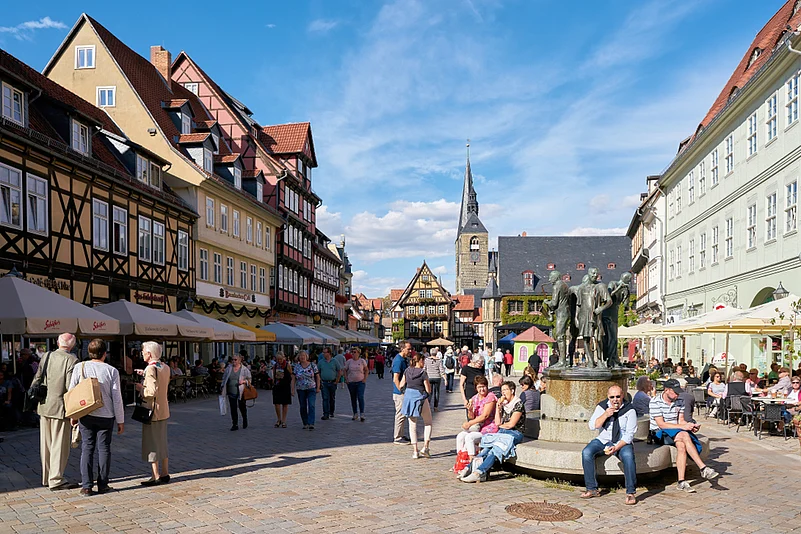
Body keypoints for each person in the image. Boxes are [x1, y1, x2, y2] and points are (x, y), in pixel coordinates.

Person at [68, 339, 124, 496]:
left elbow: (72, 391)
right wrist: (120, 420)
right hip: (106, 414)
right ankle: (103, 484)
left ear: (89, 353)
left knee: (87, 447)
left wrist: (73, 414)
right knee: (104, 448)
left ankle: (86, 486)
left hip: (86, 413)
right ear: (105, 354)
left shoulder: (79, 367)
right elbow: (117, 397)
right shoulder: (111, 371)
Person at [649, 379, 718, 492]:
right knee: (684, 435)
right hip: (659, 432)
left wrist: (690, 425)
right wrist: (683, 427)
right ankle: (702, 467)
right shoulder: (655, 402)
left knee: (681, 445)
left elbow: (681, 420)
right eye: (675, 392)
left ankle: (681, 481)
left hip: (676, 432)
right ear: (667, 390)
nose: (677, 395)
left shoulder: (680, 400)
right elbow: (661, 424)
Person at [34, 333, 79, 491]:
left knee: (46, 444)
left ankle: (47, 477)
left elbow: (37, 378)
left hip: (44, 405)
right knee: (59, 445)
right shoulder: (71, 360)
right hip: (60, 408)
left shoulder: (46, 356)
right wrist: (74, 412)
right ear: (72, 345)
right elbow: (70, 387)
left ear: (58, 342)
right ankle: (56, 479)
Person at [580, 385, 638, 505]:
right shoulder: (602, 407)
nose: (615, 400)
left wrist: (616, 447)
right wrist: (606, 415)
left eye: (618, 396)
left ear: (622, 396)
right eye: (612, 397)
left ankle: (630, 492)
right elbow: (592, 426)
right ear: (608, 397)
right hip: (603, 440)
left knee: (628, 457)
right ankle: (592, 488)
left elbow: (629, 435)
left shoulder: (629, 410)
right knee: (586, 452)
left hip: (621, 442)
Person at [460, 381, 526, 483]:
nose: (503, 393)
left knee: (495, 448)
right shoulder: (504, 404)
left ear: (512, 391)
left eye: (506, 390)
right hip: (503, 432)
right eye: (502, 390)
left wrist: (500, 427)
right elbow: (498, 422)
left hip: (515, 433)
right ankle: (468, 468)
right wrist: (498, 408)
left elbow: (511, 424)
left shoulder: (518, 404)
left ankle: (479, 472)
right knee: (486, 449)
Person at [135, 341, 171, 487]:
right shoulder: (165, 367)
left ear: (149, 353)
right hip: (163, 409)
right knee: (162, 441)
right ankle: (165, 472)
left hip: (152, 410)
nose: (142, 353)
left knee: (152, 442)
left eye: (143, 351)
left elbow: (151, 392)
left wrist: (140, 388)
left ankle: (155, 475)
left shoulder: (150, 369)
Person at [455, 375, 497, 468]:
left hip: (488, 428)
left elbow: (485, 416)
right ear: (476, 388)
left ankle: (471, 464)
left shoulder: (491, 397)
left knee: (470, 437)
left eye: (483, 386)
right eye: (479, 387)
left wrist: (470, 423)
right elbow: (472, 416)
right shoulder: (475, 398)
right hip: (478, 427)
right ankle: (460, 461)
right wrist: (470, 410)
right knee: (461, 436)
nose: (482, 389)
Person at [400, 352, 433, 459]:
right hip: (420, 398)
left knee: (412, 425)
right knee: (428, 422)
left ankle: (415, 451)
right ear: (420, 361)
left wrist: (405, 392)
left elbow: (401, 385)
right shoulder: (423, 373)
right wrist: (426, 395)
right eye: (423, 360)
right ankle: (425, 447)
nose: (424, 363)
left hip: (409, 397)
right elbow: (428, 389)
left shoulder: (407, 370)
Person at [220, 353, 252, 431]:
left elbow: (250, 380)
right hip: (231, 391)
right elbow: (224, 378)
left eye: (235, 359)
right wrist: (222, 386)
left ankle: (245, 419)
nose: (233, 361)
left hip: (241, 391)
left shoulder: (244, 369)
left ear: (239, 360)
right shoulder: (229, 368)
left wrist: (244, 381)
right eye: (232, 359)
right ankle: (235, 424)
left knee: (242, 407)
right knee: (233, 408)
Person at [291, 351, 320, 430]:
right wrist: (292, 389)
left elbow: (317, 376)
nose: (302, 357)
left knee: (311, 405)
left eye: (303, 356)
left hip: (311, 388)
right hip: (301, 389)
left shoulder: (313, 365)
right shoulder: (297, 367)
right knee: (303, 406)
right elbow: (293, 379)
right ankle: (305, 422)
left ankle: (311, 423)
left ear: (306, 357)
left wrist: (318, 387)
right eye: (300, 356)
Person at [392, 341, 412, 444]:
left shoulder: (404, 359)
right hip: (400, 393)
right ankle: (397, 437)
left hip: (405, 391)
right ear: (402, 349)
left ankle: (401, 434)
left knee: (404, 414)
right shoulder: (398, 360)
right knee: (400, 414)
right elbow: (395, 378)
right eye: (408, 349)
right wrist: (401, 391)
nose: (410, 351)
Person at [317, 347, 342, 420]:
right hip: (324, 382)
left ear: (329, 353)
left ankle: (331, 411)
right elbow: (317, 372)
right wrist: (319, 380)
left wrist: (337, 380)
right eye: (323, 352)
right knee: (325, 398)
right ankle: (325, 414)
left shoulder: (334, 361)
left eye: (325, 352)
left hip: (332, 382)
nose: (323, 354)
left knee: (332, 398)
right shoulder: (321, 362)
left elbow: (339, 370)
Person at [344, 347, 368, 421]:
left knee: (360, 397)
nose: (353, 354)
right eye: (352, 352)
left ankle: (362, 413)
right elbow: (344, 370)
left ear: (358, 353)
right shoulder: (349, 361)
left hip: (360, 381)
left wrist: (364, 379)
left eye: (355, 352)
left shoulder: (362, 361)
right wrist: (346, 379)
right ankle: (355, 413)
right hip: (351, 382)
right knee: (353, 398)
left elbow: (366, 370)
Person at [272, 351, 292, 428]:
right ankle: (278, 419)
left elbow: (290, 374)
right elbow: (273, 375)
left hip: (285, 386)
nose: (279, 361)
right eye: (278, 359)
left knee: (285, 403)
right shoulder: (275, 365)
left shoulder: (287, 365)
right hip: (277, 385)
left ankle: (284, 420)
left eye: (280, 359)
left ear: (283, 358)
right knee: (277, 403)